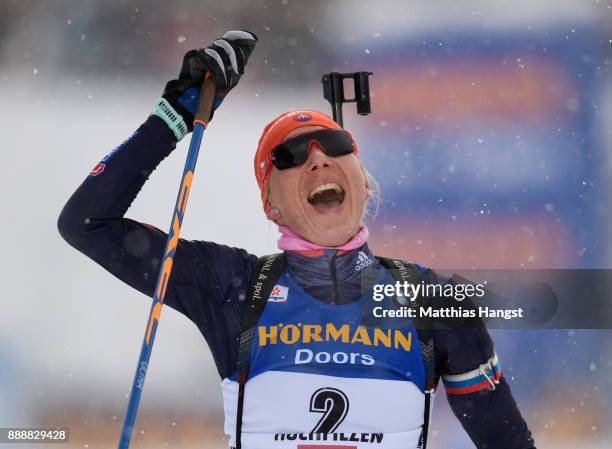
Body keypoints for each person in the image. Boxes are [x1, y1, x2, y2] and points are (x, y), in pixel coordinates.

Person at [58, 31, 536, 449]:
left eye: (333, 146)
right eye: (288, 155)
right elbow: (86, 222)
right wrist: (173, 118)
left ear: (364, 183)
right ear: (271, 206)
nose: (317, 160)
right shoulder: (234, 284)